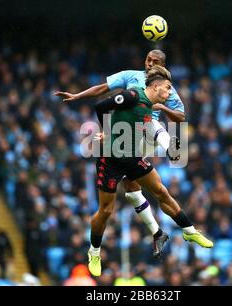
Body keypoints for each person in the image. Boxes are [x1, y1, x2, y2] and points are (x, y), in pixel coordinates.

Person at [55, 50, 184, 258]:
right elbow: (103, 88)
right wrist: (78, 96)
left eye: (155, 61)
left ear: (162, 66)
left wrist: (162, 107)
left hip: (146, 133)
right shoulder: (131, 75)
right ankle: (157, 232)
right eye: (148, 59)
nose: (150, 63)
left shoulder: (169, 90)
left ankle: (171, 147)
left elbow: (181, 116)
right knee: (132, 191)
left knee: (150, 121)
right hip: (127, 136)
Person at [86, 66, 213, 277]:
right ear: (155, 86)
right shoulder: (133, 96)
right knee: (106, 211)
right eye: (168, 88)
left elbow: (151, 127)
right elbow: (101, 106)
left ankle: (189, 231)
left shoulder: (149, 107)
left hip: (133, 158)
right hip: (110, 159)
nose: (170, 92)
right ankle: (94, 251)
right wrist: (106, 132)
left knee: (161, 191)